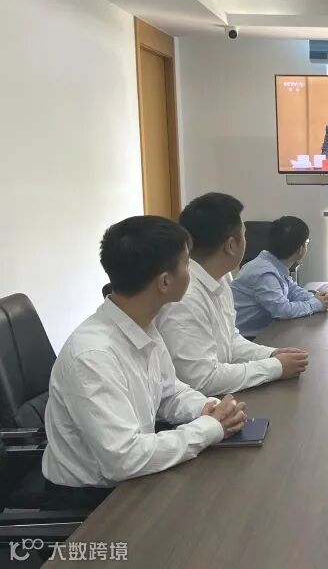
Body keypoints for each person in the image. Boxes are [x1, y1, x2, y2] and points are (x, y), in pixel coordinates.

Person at [42, 216, 247, 508]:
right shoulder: (93, 356)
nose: (192, 271)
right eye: (187, 264)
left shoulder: (142, 325)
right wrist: (210, 428)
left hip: (134, 478)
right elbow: (124, 459)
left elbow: (169, 392)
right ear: (165, 281)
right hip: (93, 500)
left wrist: (206, 408)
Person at [157, 193, 310, 396]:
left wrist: (271, 354)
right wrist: (275, 367)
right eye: (244, 235)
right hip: (198, 405)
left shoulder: (219, 279)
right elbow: (203, 380)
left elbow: (230, 341)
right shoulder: (185, 297)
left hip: (218, 398)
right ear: (231, 246)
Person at [233, 216, 328, 338]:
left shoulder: (274, 264)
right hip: (247, 338)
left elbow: (292, 290)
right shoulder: (265, 273)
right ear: (300, 249)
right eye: (306, 242)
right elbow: (282, 311)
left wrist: (315, 298)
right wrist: (315, 304)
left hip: (266, 330)